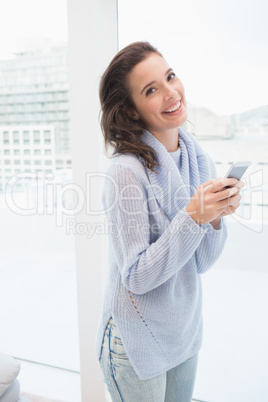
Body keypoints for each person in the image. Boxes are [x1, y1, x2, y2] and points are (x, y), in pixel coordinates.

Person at [95, 41, 244, 401]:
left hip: (184, 333)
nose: (171, 93)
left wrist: (216, 217)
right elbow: (136, 276)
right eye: (151, 90)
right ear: (131, 112)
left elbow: (202, 262)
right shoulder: (125, 172)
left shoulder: (198, 159)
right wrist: (194, 216)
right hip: (135, 343)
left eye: (170, 77)